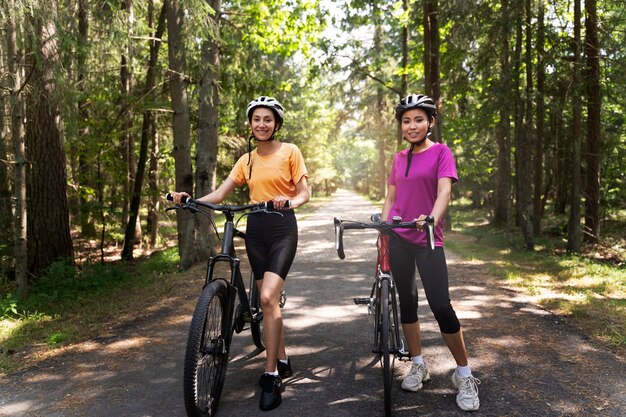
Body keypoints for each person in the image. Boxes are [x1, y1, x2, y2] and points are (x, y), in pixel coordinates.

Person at [170, 95, 309, 412]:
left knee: (267, 298)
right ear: (251, 123)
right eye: (257, 119)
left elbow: (304, 193)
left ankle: (271, 374)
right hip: (256, 230)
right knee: (268, 300)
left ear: (276, 123)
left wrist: (288, 201)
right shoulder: (246, 160)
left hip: (282, 227)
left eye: (268, 119)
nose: (262, 124)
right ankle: (283, 358)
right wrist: (190, 200)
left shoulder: (290, 152)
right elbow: (220, 194)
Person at [380, 94, 480, 411]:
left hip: (428, 240)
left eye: (418, 119)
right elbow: (391, 197)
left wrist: (431, 219)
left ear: (430, 122)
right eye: (406, 120)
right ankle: (419, 364)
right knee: (407, 303)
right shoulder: (398, 158)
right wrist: (384, 226)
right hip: (399, 239)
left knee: (440, 305)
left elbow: (445, 191)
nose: (412, 125)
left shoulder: (441, 152)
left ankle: (464, 374)